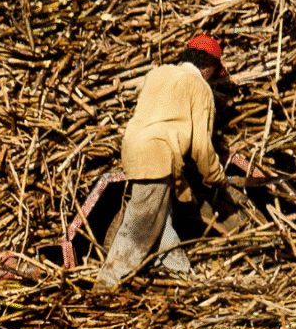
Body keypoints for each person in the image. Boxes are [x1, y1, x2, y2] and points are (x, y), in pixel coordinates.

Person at [96, 34, 230, 287]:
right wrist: (216, 177)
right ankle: (106, 284)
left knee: (160, 219)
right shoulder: (199, 87)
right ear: (209, 66)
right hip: (157, 154)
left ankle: (179, 272)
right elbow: (202, 145)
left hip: (134, 148)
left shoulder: (158, 74)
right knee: (140, 228)